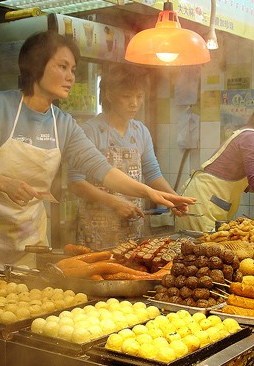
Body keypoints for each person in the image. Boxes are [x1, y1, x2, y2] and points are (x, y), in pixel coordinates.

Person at [0, 31, 194, 270]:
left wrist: (153, 194)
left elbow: (103, 170)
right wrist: (6, 184)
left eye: (73, 70)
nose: (71, 77)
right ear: (36, 65)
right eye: (62, 67)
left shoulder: (63, 123)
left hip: (28, 232)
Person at [67, 64, 180, 250]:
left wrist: (174, 199)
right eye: (126, 96)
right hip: (95, 232)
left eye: (139, 96)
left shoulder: (141, 132)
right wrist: (114, 202)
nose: (134, 103)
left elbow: (153, 174)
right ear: (110, 95)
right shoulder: (90, 131)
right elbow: (75, 182)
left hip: (132, 229)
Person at [175, 91, 254, 232]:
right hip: (201, 206)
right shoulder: (251, 138)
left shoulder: (249, 134)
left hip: (204, 203)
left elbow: (245, 181)